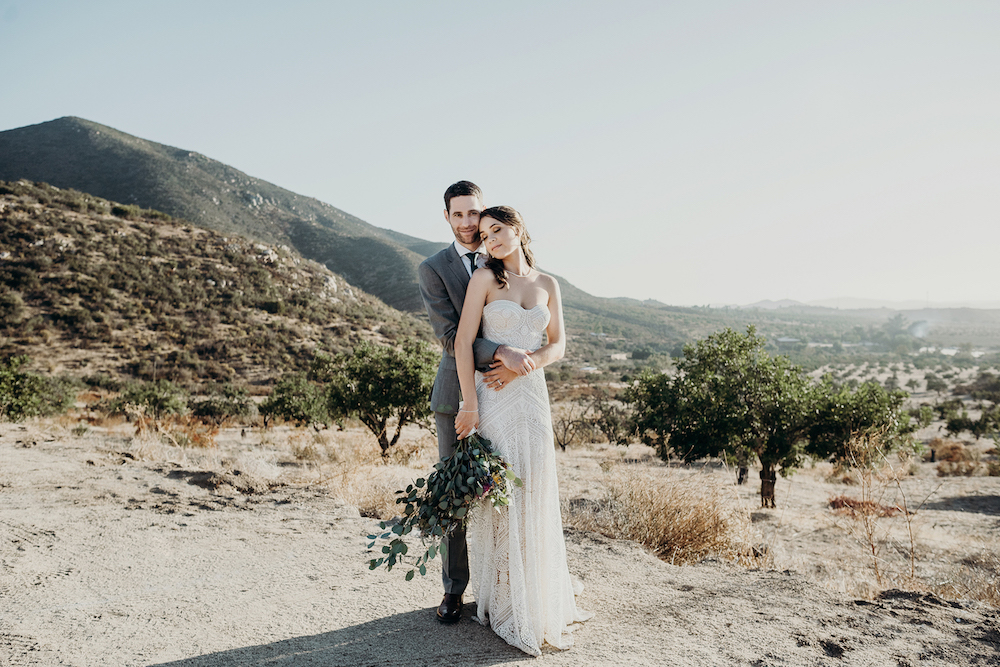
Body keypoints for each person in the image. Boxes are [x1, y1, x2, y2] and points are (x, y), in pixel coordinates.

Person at [454, 205, 590, 656]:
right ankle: (506, 600)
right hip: (492, 396)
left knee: (533, 487)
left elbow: (558, 345)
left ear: (518, 230)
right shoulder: (485, 280)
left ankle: (536, 593)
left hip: (531, 396)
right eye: (485, 233)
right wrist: (469, 404)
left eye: (497, 230)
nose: (489, 239)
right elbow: (462, 341)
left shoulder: (548, 283)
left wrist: (524, 368)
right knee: (503, 491)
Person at [417, 181, 534, 625]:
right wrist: (502, 352)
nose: (468, 224)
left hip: (507, 396)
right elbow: (451, 339)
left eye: (474, 214)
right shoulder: (433, 268)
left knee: (507, 492)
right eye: (459, 215)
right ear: (446, 217)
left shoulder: (503, 254)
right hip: (456, 398)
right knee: (455, 494)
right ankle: (453, 590)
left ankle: (506, 584)